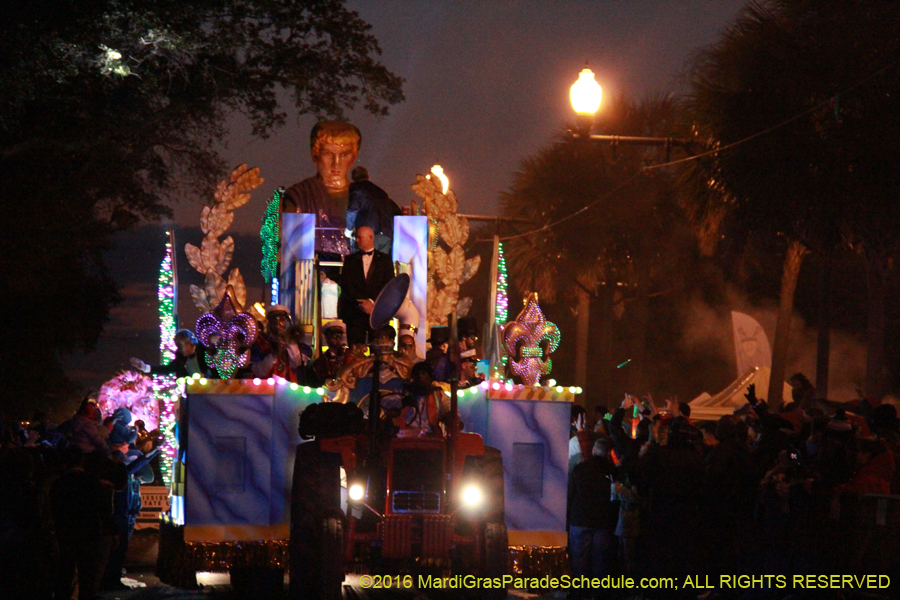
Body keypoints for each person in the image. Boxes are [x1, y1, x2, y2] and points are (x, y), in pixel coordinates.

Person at [282, 120, 360, 256]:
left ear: (354, 157)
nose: (337, 163)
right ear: (315, 155)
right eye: (328, 154)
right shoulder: (299, 197)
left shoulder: (367, 197)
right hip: (311, 273)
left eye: (344, 155)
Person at [567, 437, 618, 596]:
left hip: (580, 519)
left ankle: (579, 592)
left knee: (579, 559)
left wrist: (568, 518)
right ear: (608, 453)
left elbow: (571, 495)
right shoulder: (612, 472)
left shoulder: (579, 469)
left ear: (594, 450)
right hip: (603, 521)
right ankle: (599, 593)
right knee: (601, 560)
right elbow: (615, 498)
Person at [338, 226, 394, 346]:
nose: (356, 240)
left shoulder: (385, 260)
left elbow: (388, 284)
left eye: (359, 237)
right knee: (355, 352)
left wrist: (372, 301)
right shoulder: (350, 260)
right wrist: (362, 303)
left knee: (378, 351)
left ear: (370, 238)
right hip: (355, 315)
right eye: (356, 237)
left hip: (377, 314)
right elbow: (347, 285)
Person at [346, 166, 401, 254]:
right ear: (368, 177)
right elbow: (396, 211)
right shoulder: (381, 192)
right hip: (385, 236)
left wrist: (348, 229)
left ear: (353, 179)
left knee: (362, 265)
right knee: (380, 265)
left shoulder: (357, 189)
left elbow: (352, 209)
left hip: (367, 236)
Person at [131, 329, 211, 378]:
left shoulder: (206, 349)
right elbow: (167, 369)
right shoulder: (180, 357)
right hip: (193, 395)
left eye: (180, 345)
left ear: (189, 342)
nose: (179, 349)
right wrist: (145, 367)